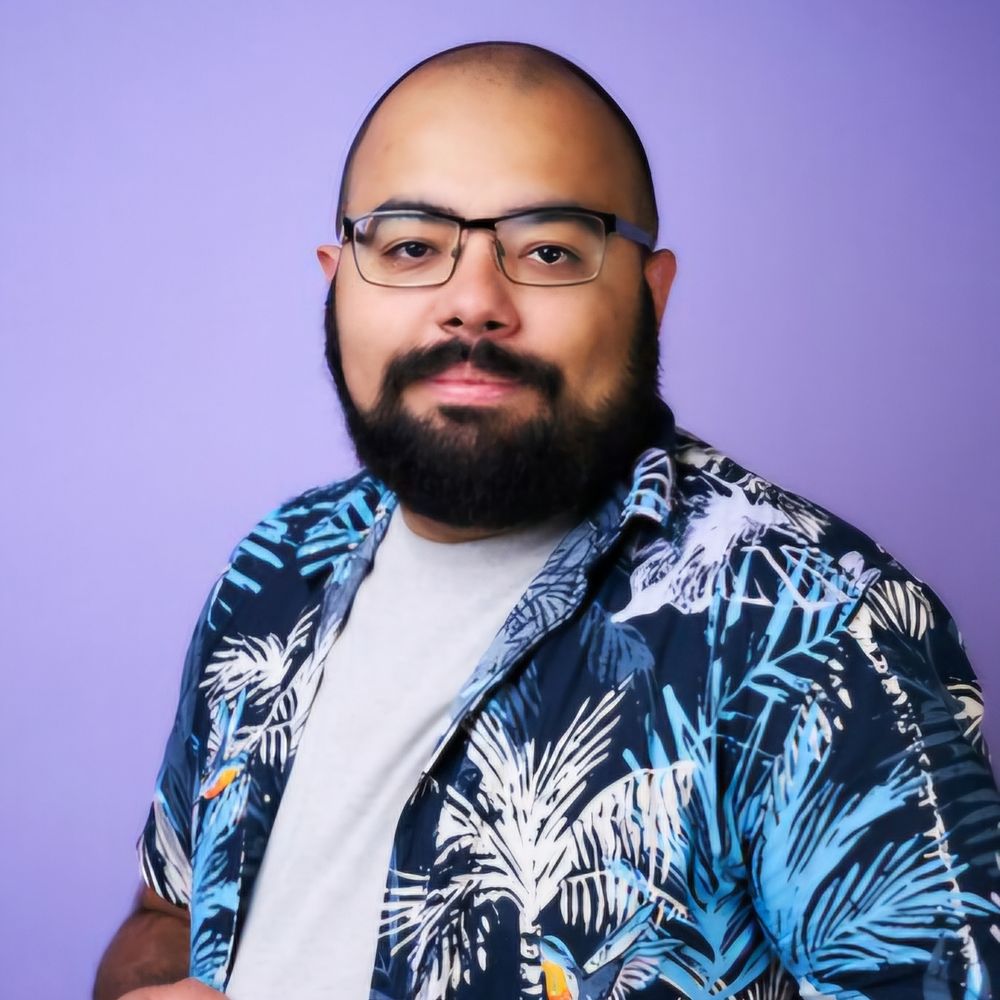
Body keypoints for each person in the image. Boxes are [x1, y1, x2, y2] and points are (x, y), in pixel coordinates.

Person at [94, 41, 1000, 1000]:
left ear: (650, 295)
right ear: (337, 281)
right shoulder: (274, 568)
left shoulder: (814, 626)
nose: (473, 304)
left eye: (550, 250)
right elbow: (173, 910)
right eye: (410, 247)